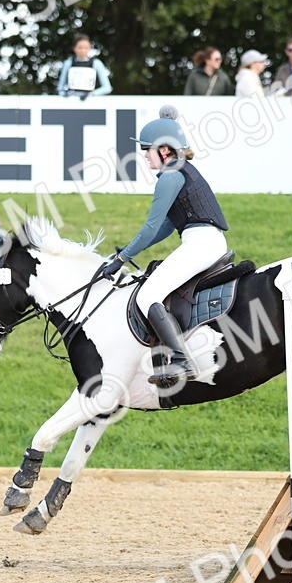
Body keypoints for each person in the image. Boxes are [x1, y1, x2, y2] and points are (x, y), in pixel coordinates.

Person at [96, 106, 229, 385]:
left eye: (148, 150)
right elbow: (166, 228)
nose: (145, 156)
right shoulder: (180, 171)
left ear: (165, 150)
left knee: (147, 296)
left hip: (202, 243)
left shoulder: (170, 177)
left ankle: (181, 361)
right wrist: (128, 251)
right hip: (204, 240)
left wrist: (121, 260)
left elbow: (150, 227)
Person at [57, 34, 112, 99]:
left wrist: (91, 94)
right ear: (74, 48)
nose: (83, 50)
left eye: (86, 48)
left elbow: (107, 88)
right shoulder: (68, 63)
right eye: (80, 48)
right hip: (72, 101)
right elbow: (60, 88)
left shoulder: (96, 63)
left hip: (90, 101)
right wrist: (65, 96)